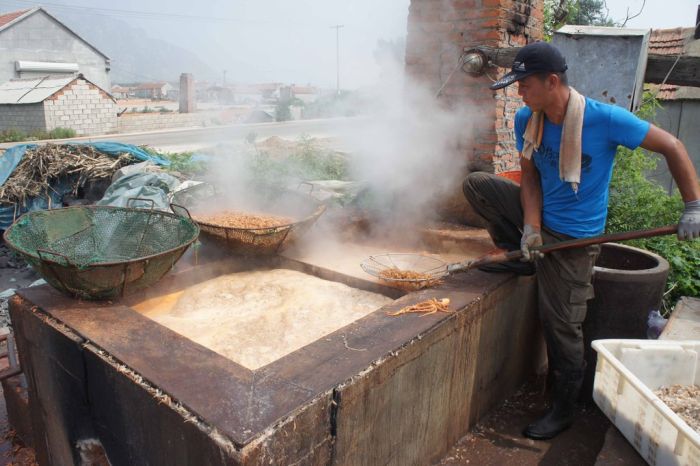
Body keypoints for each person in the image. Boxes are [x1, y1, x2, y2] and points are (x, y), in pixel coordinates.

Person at [462, 41, 700, 440]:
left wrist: (693, 205)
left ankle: (564, 407)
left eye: (524, 85)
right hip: (543, 222)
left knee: (561, 324)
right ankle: (524, 256)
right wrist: (530, 228)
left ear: (551, 81)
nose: (519, 93)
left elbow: (672, 146)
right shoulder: (527, 119)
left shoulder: (605, 120)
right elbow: (531, 177)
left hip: (575, 238)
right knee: (478, 185)